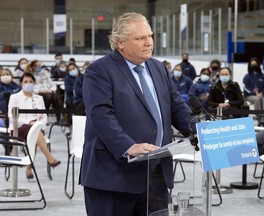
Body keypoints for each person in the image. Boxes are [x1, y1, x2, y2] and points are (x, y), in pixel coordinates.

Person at [79, 12, 195, 216]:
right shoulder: (100, 71)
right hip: (114, 177)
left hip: (156, 174)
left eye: (150, 36)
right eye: (140, 38)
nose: (149, 42)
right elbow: (101, 116)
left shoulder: (158, 67)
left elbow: (176, 107)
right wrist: (128, 146)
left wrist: (200, 129)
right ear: (120, 43)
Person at [8, 73, 60, 179]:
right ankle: (50, 158)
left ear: (34, 83)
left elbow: (44, 116)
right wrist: (29, 122)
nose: (28, 84)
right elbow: (12, 116)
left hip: (37, 127)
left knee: (35, 133)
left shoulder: (39, 98)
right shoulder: (15, 97)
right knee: (34, 131)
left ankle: (29, 168)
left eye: (31, 82)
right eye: (25, 82)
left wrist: (39, 125)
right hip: (19, 127)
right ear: (21, 83)